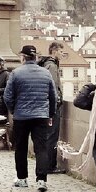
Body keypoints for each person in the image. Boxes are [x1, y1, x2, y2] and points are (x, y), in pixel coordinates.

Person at [3, 44, 56, 192]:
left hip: (21, 116)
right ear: (35, 57)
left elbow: (7, 96)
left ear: (23, 58)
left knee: (20, 148)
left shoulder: (16, 73)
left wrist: (14, 109)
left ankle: (22, 179)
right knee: (41, 148)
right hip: (41, 116)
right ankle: (41, 180)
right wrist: (50, 114)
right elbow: (53, 97)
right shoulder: (46, 73)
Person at [41, 42, 65, 173]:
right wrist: (57, 102)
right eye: (61, 52)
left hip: (46, 105)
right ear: (54, 51)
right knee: (52, 136)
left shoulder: (46, 64)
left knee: (48, 136)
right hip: (52, 107)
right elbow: (53, 87)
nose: (62, 54)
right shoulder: (52, 66)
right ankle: (50, 166)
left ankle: (46, 165)